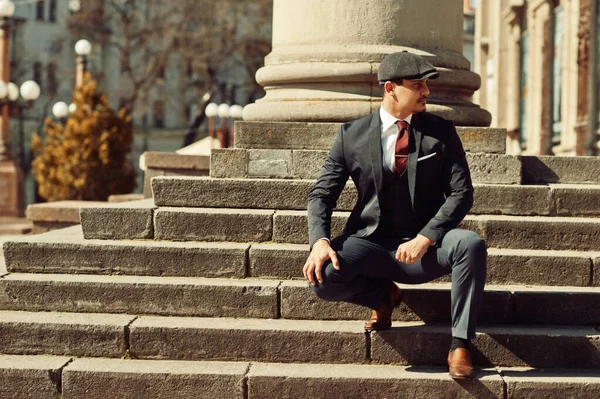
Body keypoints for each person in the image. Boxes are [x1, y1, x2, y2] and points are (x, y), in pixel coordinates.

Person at [303, 51, 487, 380]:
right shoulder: (352, 135)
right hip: (371, 244)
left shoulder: (441, 132)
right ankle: (383, 295)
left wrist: (426, 236)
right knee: (323, 274)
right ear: (391, 88)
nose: (426, 92)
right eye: (418, 85)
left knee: (470, 244)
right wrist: (319, 240)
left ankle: (460, 343)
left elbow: (462, 193)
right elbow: (321, 193)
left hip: (426, 248)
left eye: (426, 85)